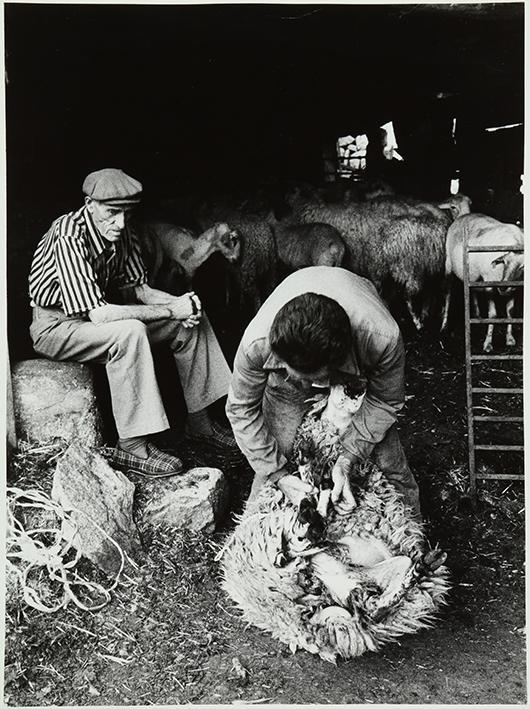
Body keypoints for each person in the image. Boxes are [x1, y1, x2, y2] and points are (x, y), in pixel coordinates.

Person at [28, 167, 234, 477]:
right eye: (112, 213)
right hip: (57, 326)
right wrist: (170, 310)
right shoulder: (69, 234)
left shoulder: (122, 230)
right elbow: (100, 314)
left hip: (93, 319)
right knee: (130, 332)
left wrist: (182, 305)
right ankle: (132, 443)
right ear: (89, 205)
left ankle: (200, 422)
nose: (120, 223)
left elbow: (142, 290)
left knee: (192, 319)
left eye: (126, 213)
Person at [226, 266, 421, 519]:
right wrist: (278, 475)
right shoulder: (257, 343)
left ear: (334, 366)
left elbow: (385, 401)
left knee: (389, 463)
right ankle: (251, 541)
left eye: (313, 379)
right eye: (296, 373)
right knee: (275, 458)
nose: (309, 386)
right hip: (285, 382)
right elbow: (241, 409)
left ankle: (412, 541)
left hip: (353, 370)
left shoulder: (382, 337)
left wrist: (347, 458)